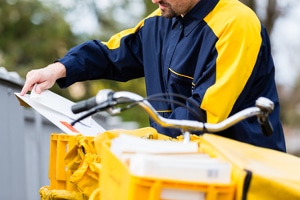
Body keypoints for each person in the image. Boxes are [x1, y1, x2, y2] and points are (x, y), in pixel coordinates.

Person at [21, 0, 286, 152]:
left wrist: (132, 141)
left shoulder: (237, 24)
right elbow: (113, 53)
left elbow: (201, 117)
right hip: (180, 166)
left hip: (244, 176)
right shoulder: (162, 19)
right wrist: (59, 69)